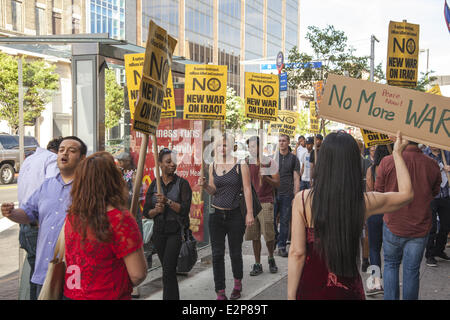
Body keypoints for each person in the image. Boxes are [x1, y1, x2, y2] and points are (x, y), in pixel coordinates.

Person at [287, 131, 413, 300]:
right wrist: (397, 154)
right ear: (354, 163)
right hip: (348, 290)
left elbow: (297, 253)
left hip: (311, 289)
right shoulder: (363, 202)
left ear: (323, 162)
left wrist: (290, 296)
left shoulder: (302, 200)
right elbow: (407, 194)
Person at [1, 136, 87, 298]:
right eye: (61, 150)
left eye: (71, 150)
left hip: (75, 272)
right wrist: (11, 213)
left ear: (82, 158)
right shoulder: (47, 185)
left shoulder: (88, 189)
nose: (64, 153)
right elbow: (28, 213)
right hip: (45, 270)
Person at [63, 152, 147, 300]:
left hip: (73, 294)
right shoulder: (120, 219)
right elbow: (138, 274)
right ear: (114, 180)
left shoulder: (72, 216)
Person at [376, 140, 441, 300]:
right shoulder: (432, 164)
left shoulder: (387, 161)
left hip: (393, 223)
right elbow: (435, 191)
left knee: (390, 265)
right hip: (419, 226)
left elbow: (379, 191)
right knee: (412, 271)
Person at [198, 133, 254, 300]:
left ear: (232, 146)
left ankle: (237, 284)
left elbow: (247, 189)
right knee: (217, 254)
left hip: (235, 214)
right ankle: (220, 290)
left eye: (225, 145)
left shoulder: (240, 164)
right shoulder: (213, 165)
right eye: (220, 145)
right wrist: (206, 185)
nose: (222, 148)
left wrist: (249, 213)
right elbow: (213, 190)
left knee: (235, 252)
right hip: (216, 215)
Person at [143, 148, 192, 300]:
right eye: (168, 162)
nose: (172, 165)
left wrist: (167, 201)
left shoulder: (182, 184)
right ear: (160, 164)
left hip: (175, 232)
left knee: (169, 269)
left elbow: (184, 210)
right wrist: (156, 211)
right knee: (167, 270)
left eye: (174, 162)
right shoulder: (154, 185)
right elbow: (146, 212)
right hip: (158, 232)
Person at [17, 136, 63, 300]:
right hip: (38, 226)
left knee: (36, 277)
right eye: (63, 151)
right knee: (47, 280)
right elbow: (55, 188)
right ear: (58, 151)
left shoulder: (30, 159)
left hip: (25, 227)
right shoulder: (52, 160)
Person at [245, 136, 280, 276]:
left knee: (269, 235)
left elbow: (277, 183)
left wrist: (265, 177)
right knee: (254, 235)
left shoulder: (270, 162)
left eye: (254, 146)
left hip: (266, 201)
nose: (251, 149)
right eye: (249, 146)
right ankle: (257, 263)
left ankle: (271, 258)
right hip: (251, 203)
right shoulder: (246, 163)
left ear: (260, 147)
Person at [365, 144, 391, 296]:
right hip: (390, 210)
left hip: (375, 211)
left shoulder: (371, 169)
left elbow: (370, 190)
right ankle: (389, 280)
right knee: (389, 250)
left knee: (374, 248)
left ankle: (376, 281)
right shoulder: (392, 169)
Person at [273, 134, 300, 257]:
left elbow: (296, 178)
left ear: (288, 142)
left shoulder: (294, 159)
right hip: (273, 194)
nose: (281, 143)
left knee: (284, 221)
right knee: (271, 221)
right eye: (279, 141)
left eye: (284, 141)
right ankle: (276, 239)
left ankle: (282, 246)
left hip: (287, 194)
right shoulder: (273, 158)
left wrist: (296, 196)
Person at [423, 146, 450, 266]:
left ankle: (439, 249)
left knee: (445, 225)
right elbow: (423, 173)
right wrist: (439, 168)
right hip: (430, 196)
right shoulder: (424, 154)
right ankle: (429, 254)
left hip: (445, 195)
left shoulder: (447, 153)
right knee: (432, 227)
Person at [356, 139, 373, 273]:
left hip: (352, 202)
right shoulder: (368, 163)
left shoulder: (347, 163)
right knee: (365, 233)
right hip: (365, 201)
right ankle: (365, 260)